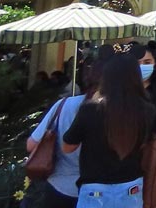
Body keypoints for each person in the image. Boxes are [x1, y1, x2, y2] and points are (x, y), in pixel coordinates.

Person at [62, 51, 156, 208]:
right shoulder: (148, 111)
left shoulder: (91, 109)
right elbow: (146, 144)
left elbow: (67, 147)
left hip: (95, 187)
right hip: (131, 185)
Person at [27, 49, 106, 208]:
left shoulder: (63, 105)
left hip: (58, 188)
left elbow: (31, 144)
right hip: (97, 191)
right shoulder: (114, 112)